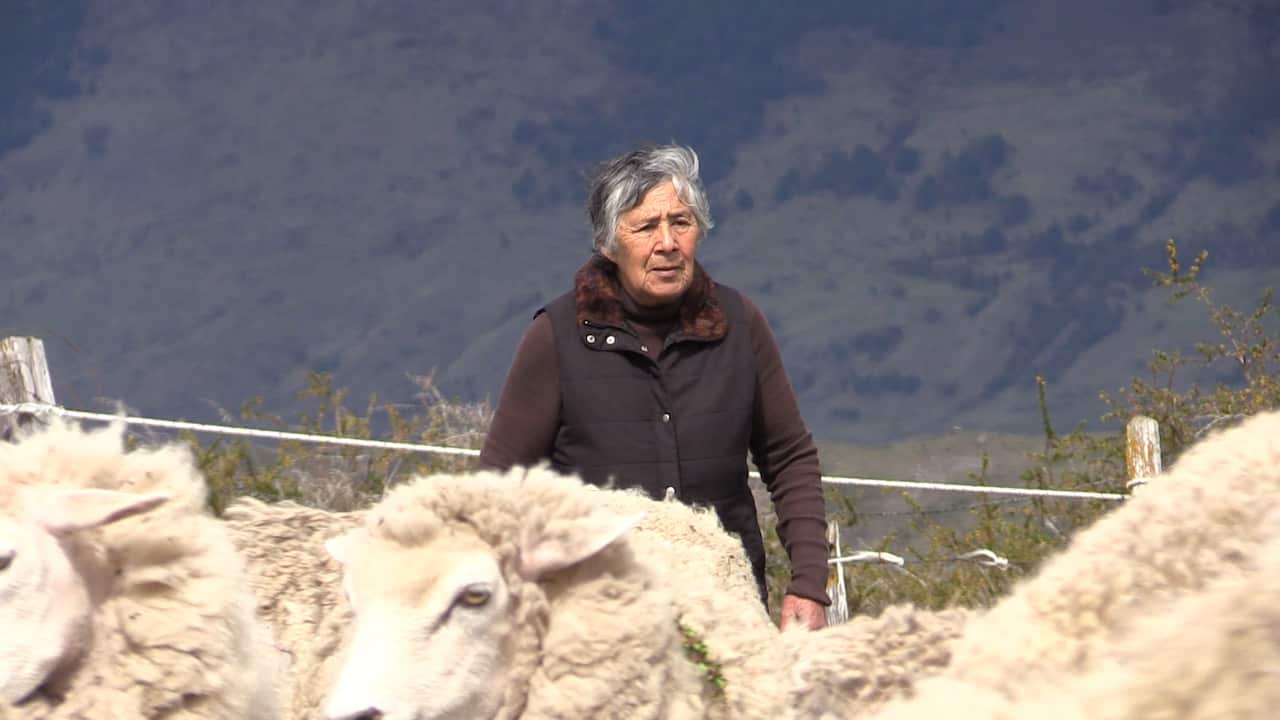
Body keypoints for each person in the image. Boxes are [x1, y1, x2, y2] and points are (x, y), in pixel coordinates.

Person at [479, 144, 830, 630]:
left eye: (680, 223)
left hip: (724, 605)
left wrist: (810, 584)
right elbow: (498, 485)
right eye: (645, 227)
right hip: (594, 612)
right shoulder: (556, 336)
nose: (667, 243)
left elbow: (789, 457)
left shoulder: (740, 324)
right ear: (609, 244)